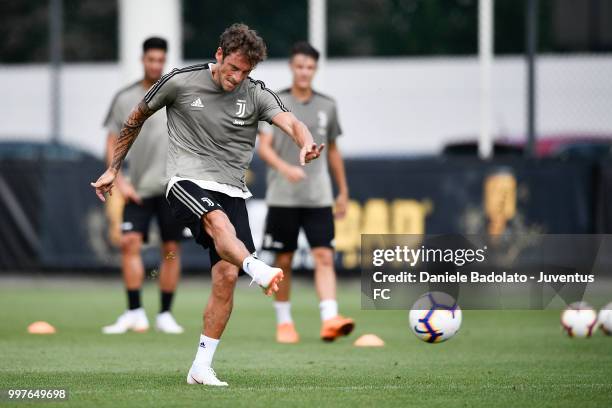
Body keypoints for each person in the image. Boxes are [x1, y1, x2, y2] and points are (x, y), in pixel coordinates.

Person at [91, 24, 323, 386]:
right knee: (217, 224)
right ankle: (256, 268)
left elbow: (291, 122)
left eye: (246, 71)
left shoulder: (255, 93)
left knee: (225, 277)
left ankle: (201, 367)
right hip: (185, 181)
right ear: (219, 55)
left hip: (232, 189)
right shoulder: (181, 81)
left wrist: (306, 143)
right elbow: (136, 116)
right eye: (233, 67)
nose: (237, 77)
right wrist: (113, 168)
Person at [258, 42, 354, 344]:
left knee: (324, 256)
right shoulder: (276, 102)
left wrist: (343, 191)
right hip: (283, 196)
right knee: (283, 260)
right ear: (291, 66)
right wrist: (285, 169)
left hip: (318, 195)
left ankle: (330, 319)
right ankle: (284, 323)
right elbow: (264, 148)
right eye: (300, 66)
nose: (304, 72)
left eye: (310, 67)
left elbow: (334, 151)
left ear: (315, 70)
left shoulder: (328, 105)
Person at [102, 37, 185, 335]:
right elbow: (112, 141)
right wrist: (119, 179)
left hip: (172, 189)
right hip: (137, 189)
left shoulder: (176, 92)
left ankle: (164, 313)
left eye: (160, 60)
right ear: (143, 60)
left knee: (171, 250)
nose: (156, 65)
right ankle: (135, 310)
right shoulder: (125, 98)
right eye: (151, 60)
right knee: (129, 244)